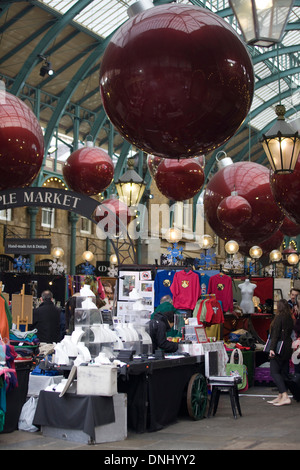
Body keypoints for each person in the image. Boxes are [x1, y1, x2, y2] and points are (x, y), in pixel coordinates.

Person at [267, 299, 294, 406]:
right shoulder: (289, 318)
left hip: (279, 347)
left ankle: (284, 395)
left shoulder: (278, 318)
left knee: (274, 372)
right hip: (287, 346)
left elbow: (275, 335)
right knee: (283, 371)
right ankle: (280, 395)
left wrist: (272, 348)